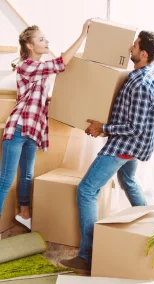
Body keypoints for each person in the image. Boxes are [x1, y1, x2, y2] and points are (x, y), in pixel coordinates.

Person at [60, 31, 154, 272]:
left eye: (135, 45)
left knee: (86, 189)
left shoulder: (140, 83)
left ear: (144, 53)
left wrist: (103, 128)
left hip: (126, 145)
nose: (130, 47)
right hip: (139, 145)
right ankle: (149, 232)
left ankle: (87, 256)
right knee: (127, 180)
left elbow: (134, 128)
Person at [0, 19, 91, 229]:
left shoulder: (38, 69)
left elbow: (37, 93)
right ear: (30, 45)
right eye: (41, 39)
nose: (46, 41)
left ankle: (24, 214)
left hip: (33, 131)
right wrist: (83, 34)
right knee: (5, 180)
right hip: (18, 128)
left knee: (27, 175)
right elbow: (61, 63)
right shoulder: (27, 65)